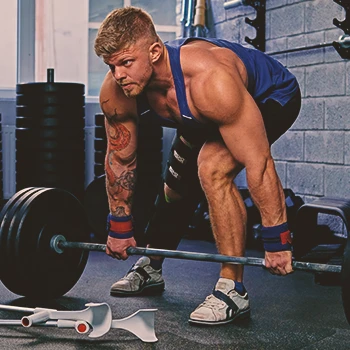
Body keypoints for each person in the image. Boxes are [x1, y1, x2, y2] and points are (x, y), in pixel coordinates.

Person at [94, 6, 301, 326]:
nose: (118, 74)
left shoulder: (209, 79)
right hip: (202, 112)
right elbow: (121, 159)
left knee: (211, 169)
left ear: (154, 51)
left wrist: (277, 240)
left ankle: (233, 289)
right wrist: (119, 228)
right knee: (174, 189)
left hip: (271, 95)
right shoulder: (118, 89)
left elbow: (258, 163)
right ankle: (151, 266)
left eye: (126, 62)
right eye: (112, 65)